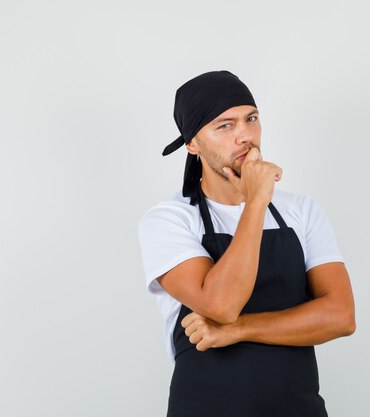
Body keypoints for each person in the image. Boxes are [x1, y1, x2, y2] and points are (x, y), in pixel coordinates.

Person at [137, 70, 356, 417]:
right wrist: (255, 202)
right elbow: (221, 304)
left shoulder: (302, 211)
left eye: (251, 119)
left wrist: (237, 330)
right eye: (225, 125)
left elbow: (341, 316)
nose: (246, 136)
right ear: (193, 143)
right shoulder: (169, 220)